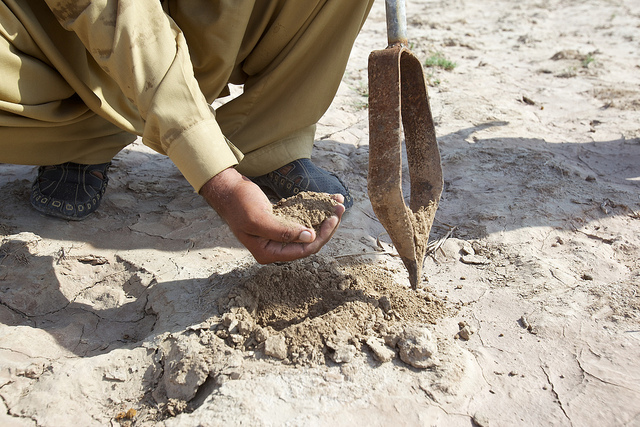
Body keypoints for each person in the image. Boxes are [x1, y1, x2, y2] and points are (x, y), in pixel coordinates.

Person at [0, 0, 374, 263]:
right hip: (71, 35)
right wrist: (218, 179)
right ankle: (86, 136)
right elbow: (113, 14)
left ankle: (267, 139)